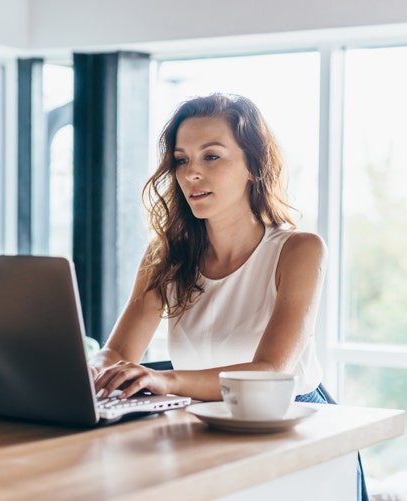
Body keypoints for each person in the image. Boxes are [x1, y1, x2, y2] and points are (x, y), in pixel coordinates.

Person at [88, 92, 367, 501]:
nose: (191, 174)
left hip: (297, 428)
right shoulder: (164, 255)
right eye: (181, 160)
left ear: (254, 165)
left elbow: (272, 371)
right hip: (203, 427)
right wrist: (87, 371)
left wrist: (166, 381)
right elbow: (115, 353)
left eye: (211, 156)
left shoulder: (299, 249)